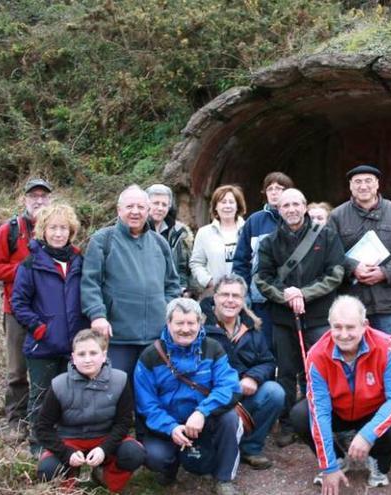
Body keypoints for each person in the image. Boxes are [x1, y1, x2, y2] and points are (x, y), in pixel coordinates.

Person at [253, 188, 346, 448]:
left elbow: (336, 273)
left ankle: (315, 419)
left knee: (317, 371)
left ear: (305, 206)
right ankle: (287, 423)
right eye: (286, 206)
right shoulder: (269, 243)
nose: (291, 209)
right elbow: (262, 278)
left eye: (296, 204)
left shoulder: (327, 236)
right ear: (278, 210)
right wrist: (286, 297)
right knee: (285, 372)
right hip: (283, 318)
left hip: (318, 317)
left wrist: (303, 294)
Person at [290, 296, 391, 494]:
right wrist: (328, 466)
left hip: (373, 412)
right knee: (301, 414)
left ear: (364, 325)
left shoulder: (385, 347)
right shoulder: (317, 355)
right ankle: (337, 459)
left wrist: (368, 434)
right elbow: (320, 411)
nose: (344, 335)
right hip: (338, 412)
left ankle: (377, 460)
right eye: (337, 327)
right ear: (329, 326)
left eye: (350, 327)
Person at [134, 298, 243, 494]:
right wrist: (171, 427)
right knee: (154, 456)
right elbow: (147, 405)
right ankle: (170, 468)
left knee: (230, 418)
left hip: (203, 421)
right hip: (167, 424)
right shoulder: (150, 356)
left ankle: (224, 479)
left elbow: (230, 386)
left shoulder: (213, 347)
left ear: (200, 322)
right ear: (168, 324)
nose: (186, 329)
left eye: (191, 323)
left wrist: (202, 412)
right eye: (179, 323)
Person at [11, 203, 90, 452]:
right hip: (42, 345)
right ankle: (39, 443)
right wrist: (39, 328)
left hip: (74, 346)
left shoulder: (80, 261)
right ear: (43, 231)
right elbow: (19, 303)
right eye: (53, 228)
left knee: (70, 396)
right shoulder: (31, 264)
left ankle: (67, 441)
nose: (58, 234)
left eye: (63, 228)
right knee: (42, 395)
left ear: (71, 231)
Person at [80, 185, 180, 380]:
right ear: (119, 210)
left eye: (141, 207)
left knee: (152, 396)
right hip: (117, 338)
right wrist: (97, 315)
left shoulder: (160, 243)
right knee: (116, 392)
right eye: (130, 206)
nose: (135, 211)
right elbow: (90, 283)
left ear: (148, 211)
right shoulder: (103, 240)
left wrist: (165, 311)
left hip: (155, 338)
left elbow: (172, 285)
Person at [34, 329, 145, 493]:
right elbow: (42, 427)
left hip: (105, 437)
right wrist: (67, 453)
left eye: (93, 353)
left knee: (134, 453)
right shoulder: (59, 384)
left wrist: (104, 449)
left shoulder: (120, 380)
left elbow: (124, 422)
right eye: (81, 354)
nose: (87, 359)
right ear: (73, 357)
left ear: (104, 354)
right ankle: (70, 477)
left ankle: (106, 478)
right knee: (47, 469)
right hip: (69, 440)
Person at [0, 177, 53, 433]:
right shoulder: (10, 230)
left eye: (43, 196)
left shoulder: (56, 229)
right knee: (17, 371)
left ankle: (44, 420)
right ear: (24, 199)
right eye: (33, 195)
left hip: (48, 312)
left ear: (50, 200)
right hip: (16, 312)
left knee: (47, 368)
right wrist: (23, 271)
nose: (39, 200)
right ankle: (16, 421)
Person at [202, 274, 284, 470]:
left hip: (242, 394)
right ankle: (209, 449)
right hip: (211, 397)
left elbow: (268, 361)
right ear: (214, 297)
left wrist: (253, 377)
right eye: (225, 294)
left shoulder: (253, 328)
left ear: (243, 300)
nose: (230, 300)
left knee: (275, 392)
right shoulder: (199, 326)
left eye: (236, 296)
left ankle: (250, 448)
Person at [329, 164, 391, 350]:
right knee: (352, 353)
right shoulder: (337, 216)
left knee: (388, 353)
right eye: (358, 182)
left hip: (387, 302)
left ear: (377, 184)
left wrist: (384, 272)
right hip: (351, 300)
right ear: (350, 186)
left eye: (368, 181)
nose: (363, 186)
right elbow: (330, 254)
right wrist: (353, 267)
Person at [232, 171, 295, 354]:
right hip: (260, 298)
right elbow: (241, 260)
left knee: (288, 350)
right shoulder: (255, 221)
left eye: (280, 188)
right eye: (270, 188)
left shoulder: (295, 219)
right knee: (262, 346)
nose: (274, 192)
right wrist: (243, 295)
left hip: (289, 298)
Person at [191, 185, 247, 297]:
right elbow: (196, 263)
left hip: (245, 294)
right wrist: (208, 281)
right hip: (215, 293)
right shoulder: (204, 233)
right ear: (215, 206)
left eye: (231, 202)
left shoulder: (248, 230)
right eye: (223, 202)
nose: (227, 206)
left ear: (238, 206)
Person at [145, 184, 195, 297]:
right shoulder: (137, 230)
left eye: (164, 204)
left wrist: (184, 288)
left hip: (173, 293)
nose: (160, 208)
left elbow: (183, 266)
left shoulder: (179, 232)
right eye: (156, 203)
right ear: (146, 204)